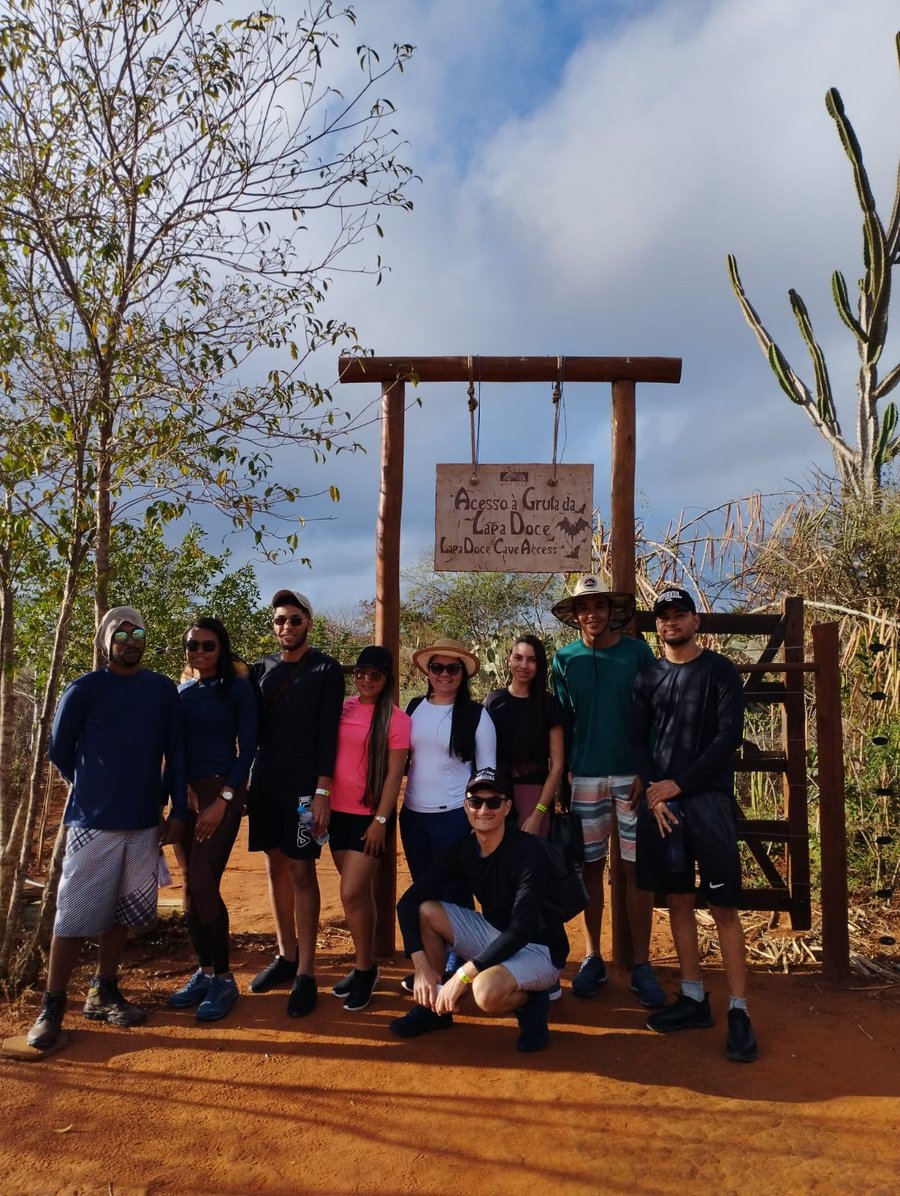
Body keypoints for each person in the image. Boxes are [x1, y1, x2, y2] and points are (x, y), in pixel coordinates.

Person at [27, 607, 187, 1051]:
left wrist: (176, 810)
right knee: (74, 914)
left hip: (142, 823)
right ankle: (52, 1005)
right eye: (122, 634)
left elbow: (175, 753)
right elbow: (60, 752)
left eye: (138, 633)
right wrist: (94, 788)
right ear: (106, 642)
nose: (131, 640)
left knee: (123, 911)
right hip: (92, 822)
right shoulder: (83, 690)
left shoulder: (161, 690)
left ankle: (103, 990)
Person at [632, 586, 757, 1062]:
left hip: (708, 803)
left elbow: (728, 737)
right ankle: (692, 996)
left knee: (724, 907)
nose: (670, 623)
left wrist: (675, 786)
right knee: (679, 901)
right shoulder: (649, 677)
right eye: (663, 617)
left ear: (695, 621)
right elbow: (637, 740)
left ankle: (740, 1010)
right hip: (663, 808)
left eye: (679, 614)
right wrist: (653, 788)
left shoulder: (720, 671)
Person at [391, 767, 569, 1052]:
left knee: (484, 992)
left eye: (493, 802)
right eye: (476, 801)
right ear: (466, 806)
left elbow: (521, 930)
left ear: (507, 807)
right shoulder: (464, 849)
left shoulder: (528, 852)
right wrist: (422, 967)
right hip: (494, 933)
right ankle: (433, 1008)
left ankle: (532, 1001)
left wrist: (462, 976)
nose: (484, 809)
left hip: (539, 949)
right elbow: (408, 903)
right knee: (426, 910)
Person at [551, 575, 665, 1008]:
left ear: (610, 610)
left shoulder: (638, 653)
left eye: (598, 606)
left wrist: (646, 769)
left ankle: (641, 965)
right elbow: (561, 723)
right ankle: (593, 957)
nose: (592, 615)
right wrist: (562, 778)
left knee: (637, 870)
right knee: (590, 869)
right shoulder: (565, 660)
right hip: (584, 777)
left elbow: (656, 714)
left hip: (632, 778)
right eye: (584, 608)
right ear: (576, 615)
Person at [246, 589, 345, 1018]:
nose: (286, 627)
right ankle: (286, 956)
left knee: (302, 869)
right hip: (265, 782)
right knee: (274, 865)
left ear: (309, 621)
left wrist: (323, 791)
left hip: (306, 788)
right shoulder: (260, 670)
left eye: (294, 619)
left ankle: (306, 972)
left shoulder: (326, 669)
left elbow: (329, 734)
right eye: (279, 620)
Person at [167, 618, 258, 1022]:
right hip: (185, 797)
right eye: (192, 645)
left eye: (207, 645)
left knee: (204, 882)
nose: (199, 652)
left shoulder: (235, 688)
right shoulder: (181, 690)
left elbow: (250, 745)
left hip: (222, 793)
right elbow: (173, 746)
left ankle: (224, 978)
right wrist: (178, 794)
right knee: (190, 888)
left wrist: (225, 799)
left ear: (221, 648)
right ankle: (203, 972)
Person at [399, 636, 497, 990]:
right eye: (437, 667)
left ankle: (461, 961)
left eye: (452, 668)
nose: (444, 674)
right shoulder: (413, 708)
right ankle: (435, 964)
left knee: (456, 892)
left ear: (462, 674)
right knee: (425, 892)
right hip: (413, 817)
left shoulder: (476, 715)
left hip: (454, 817)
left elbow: (487, 771)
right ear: (428, 671)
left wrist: (477, 820)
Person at [328, 646, 411, 1012]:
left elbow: (395, 773)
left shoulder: (396, 720)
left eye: (374, 675)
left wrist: (381, 819)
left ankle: (364, 969)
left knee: (350, 893)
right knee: (359, 897)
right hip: (335, 814)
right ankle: (368, 964)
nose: (365, 680)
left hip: (370, 818)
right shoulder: (342, 708)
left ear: (386, 679)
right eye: (360, 672)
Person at [484, 635, 565, 837]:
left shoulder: (549, 705)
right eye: (518, 658)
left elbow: (557, 765)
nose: (524, 665)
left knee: (531, 861)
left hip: (534, 795)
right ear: (508, 660)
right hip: (496, 793)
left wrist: (538, 813)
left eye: (532, 659)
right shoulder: (494, 701)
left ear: (539, 665)